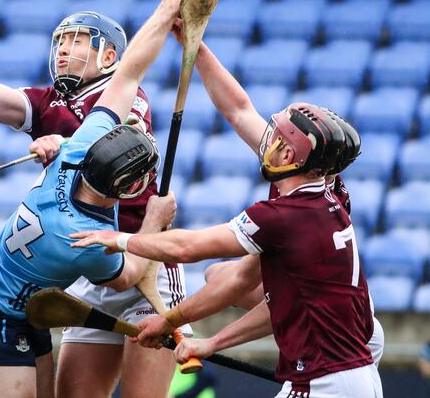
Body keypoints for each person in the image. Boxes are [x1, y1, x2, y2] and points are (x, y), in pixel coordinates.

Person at [0, 0, 200, 398]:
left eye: (78, 40)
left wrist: (62, 144)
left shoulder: (128, 101)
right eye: (61, 41)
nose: (64, 49)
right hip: (90, 262)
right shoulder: (50, 102)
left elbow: (115, 151)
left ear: (108, 57)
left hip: (145, 260)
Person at [72, 51, 383, 396]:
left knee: (223, 276)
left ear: (291, 155)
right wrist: (197, 49)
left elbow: (189, 248)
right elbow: (238, 110)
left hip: (328, 375)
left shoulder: (285, 215)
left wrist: (120, 240)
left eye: (277, 138)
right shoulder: (323, 193)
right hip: (354, 356)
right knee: (216, 275)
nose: (269, 141)